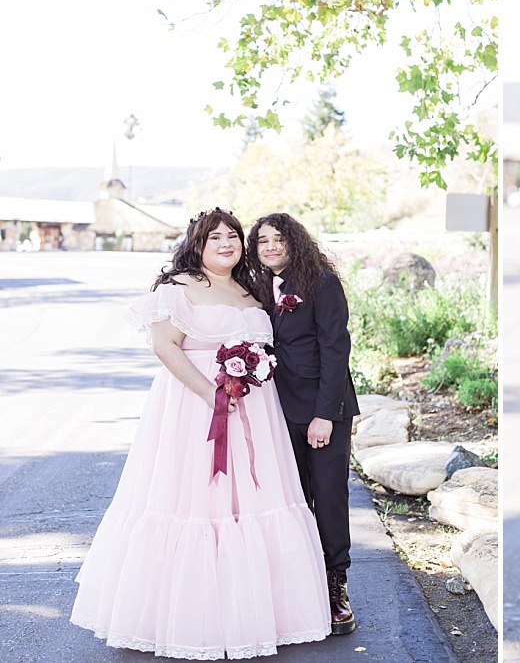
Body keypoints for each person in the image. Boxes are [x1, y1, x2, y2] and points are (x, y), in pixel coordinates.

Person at [71, 207, 331, 659]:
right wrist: (211, 393)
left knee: (250, 502)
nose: (227, 243)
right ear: (198, 244)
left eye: (233, 236)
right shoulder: (178, 288)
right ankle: (187, 617)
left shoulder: (251, 291)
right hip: (194, 409)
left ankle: (254, 611)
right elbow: (164, 346)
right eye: (216, 238)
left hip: (255, 411)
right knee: (194, 502)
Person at [245, 213, 360, 635]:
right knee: (290, 500)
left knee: (328, 496)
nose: (271, 246)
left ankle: (336, 586)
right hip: (274, 409)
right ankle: (297, 586)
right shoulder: (254, 287)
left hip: (321, 408)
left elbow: (335, 349)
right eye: (262, 241)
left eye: (278, 239)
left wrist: (324, 415)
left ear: (294, 241)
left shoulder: (322, 282)